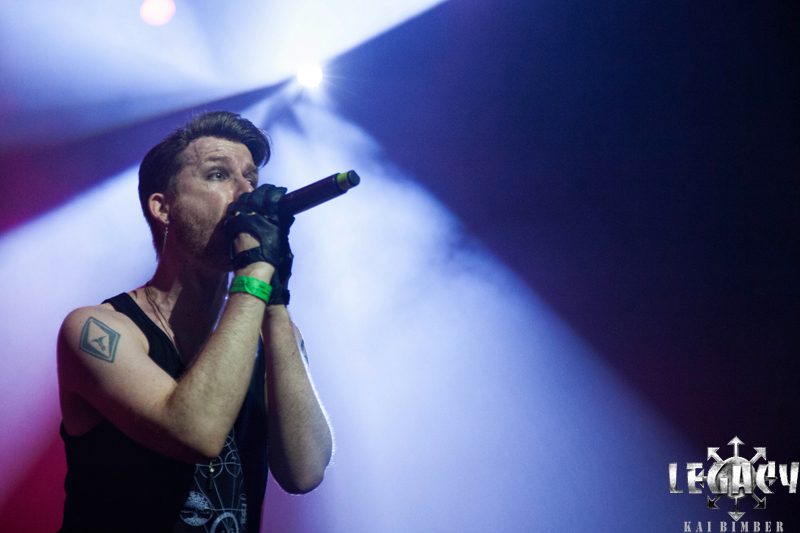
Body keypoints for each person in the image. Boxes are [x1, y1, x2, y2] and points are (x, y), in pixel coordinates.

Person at [56, 111, 333, 532]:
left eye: (251, 179)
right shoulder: (96, 329)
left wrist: (275, 301)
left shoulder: (271, 335)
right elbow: (197, 433)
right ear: (162, 207)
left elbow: (305, 471)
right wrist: (254, 272)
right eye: (219, 175)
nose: (246, 193)